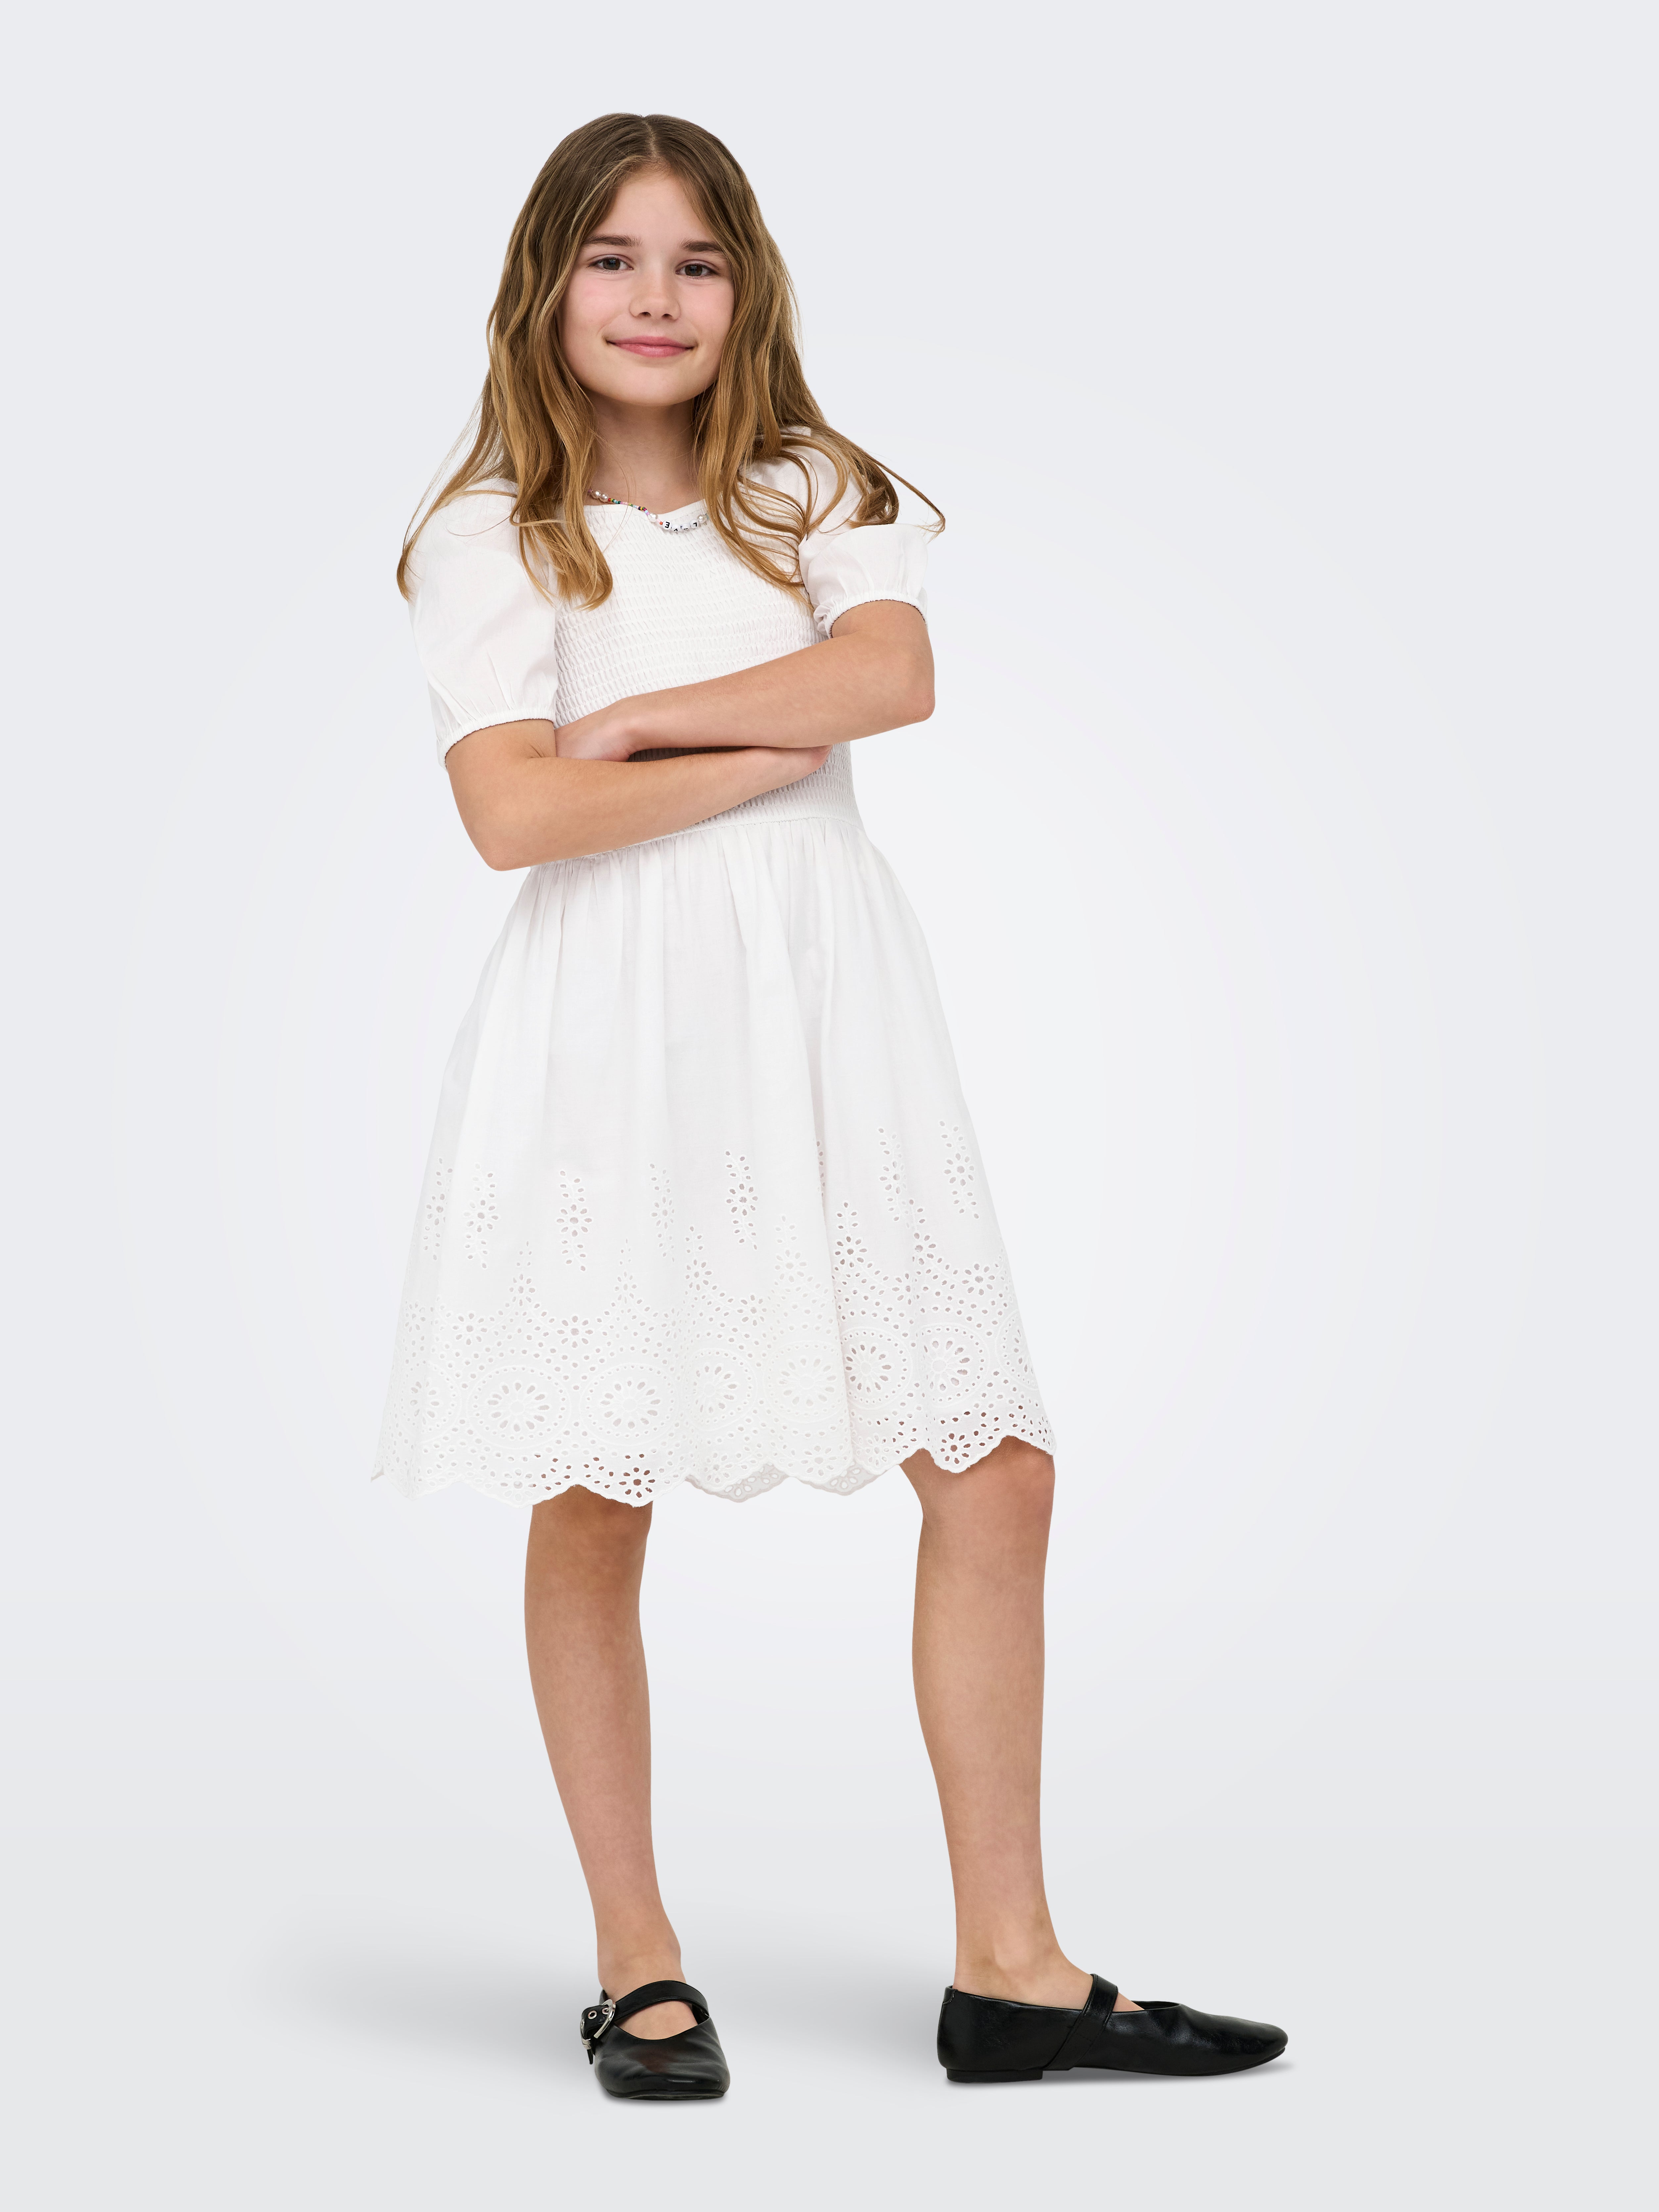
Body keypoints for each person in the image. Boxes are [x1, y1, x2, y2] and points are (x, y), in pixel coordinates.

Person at [376, 110, 1286, 2099]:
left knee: (994, 1466)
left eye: (695, 262)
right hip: (615, 1030)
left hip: (831, 1016)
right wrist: (748, 756)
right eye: (614, 258)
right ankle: (636, 1963)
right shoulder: (494, 534)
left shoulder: (811, 489)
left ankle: (1011, 1967)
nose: (655, 297)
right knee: (595, 1478)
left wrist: (645, 720)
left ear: (746, 289)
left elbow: (890, 680)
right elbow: (513, 815)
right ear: (546, 284)